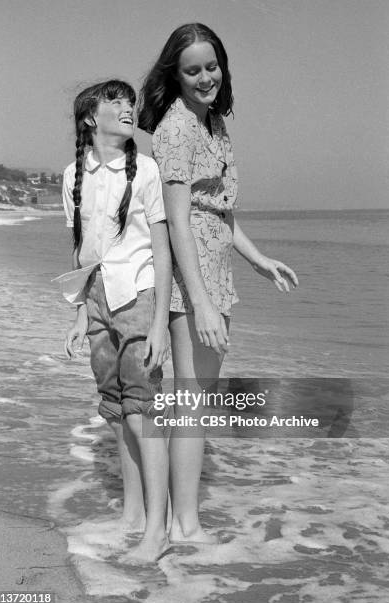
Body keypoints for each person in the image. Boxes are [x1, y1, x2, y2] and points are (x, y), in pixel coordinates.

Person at [138, 23, 298, 544]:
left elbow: (220, 213)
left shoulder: (214, 124)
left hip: (215, 270)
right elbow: (180, 220)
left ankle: (179, 519)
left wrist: (258, 260)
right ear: (175, 75)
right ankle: (183, 524)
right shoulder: (177, 130)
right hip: (192, 276)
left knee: (196, 397)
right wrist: (200, 303)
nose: (205, 77)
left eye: (211, 66)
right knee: (190, 398)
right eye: (192, 70)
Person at [60, 80, 172, 562]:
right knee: (114, 406)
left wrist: (162, 324)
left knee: (142, 409)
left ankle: (158, 530)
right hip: (98, 300)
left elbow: (163, 251)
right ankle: (130, 515)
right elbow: (81, 249)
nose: (128, 107)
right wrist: (80, 313)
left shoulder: (145, 169)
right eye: (116, 101)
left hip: (139, 296)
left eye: (130, 102)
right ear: (91, 117)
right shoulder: (71, 175)